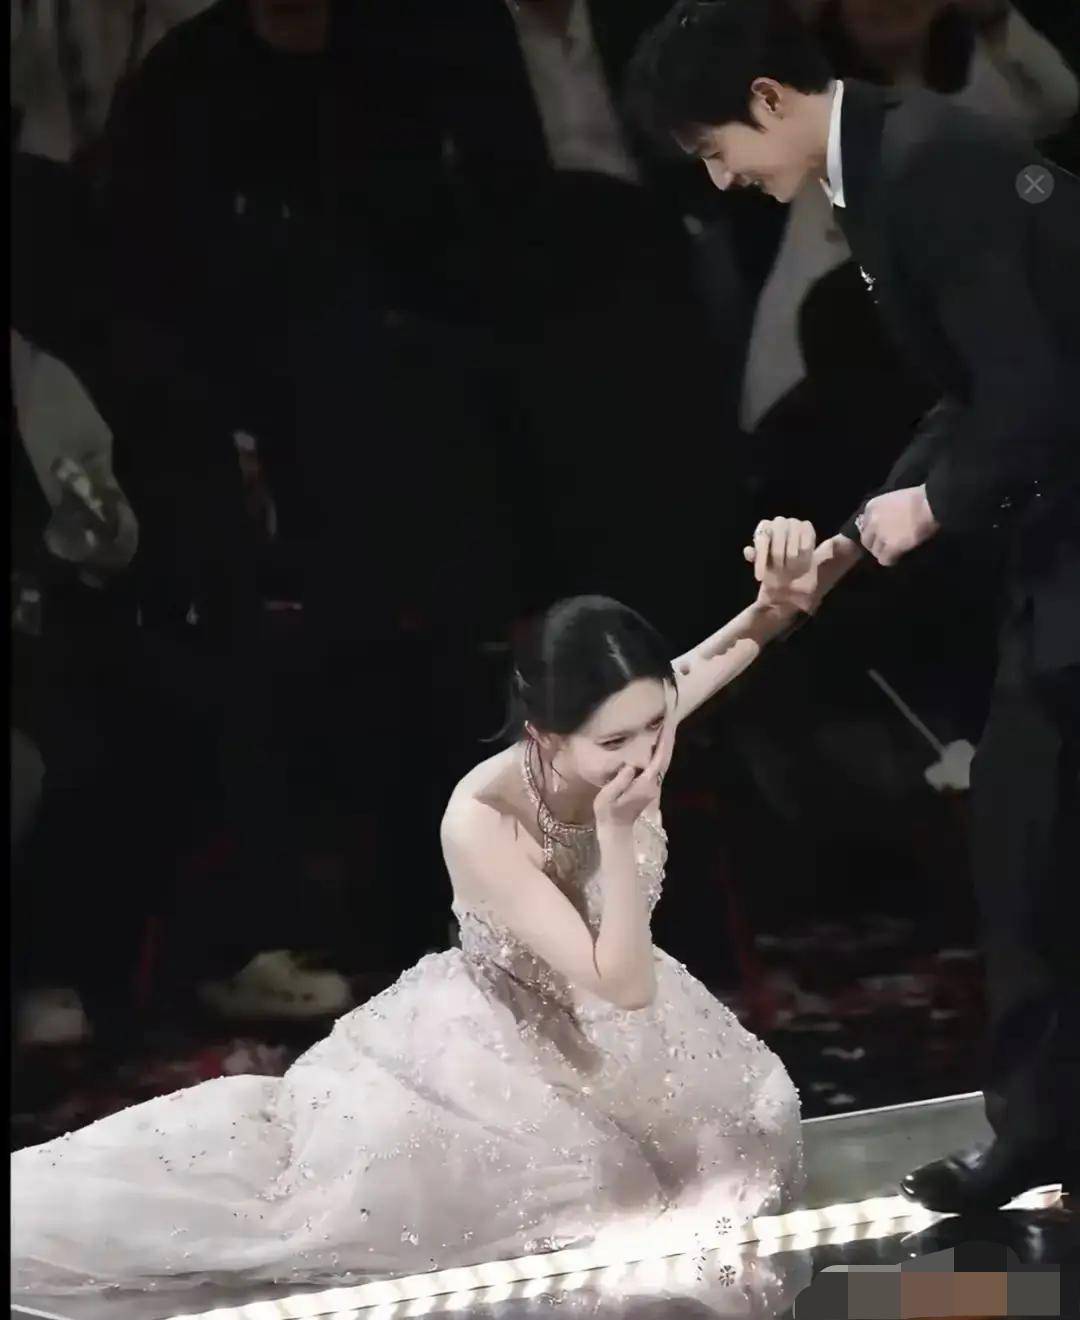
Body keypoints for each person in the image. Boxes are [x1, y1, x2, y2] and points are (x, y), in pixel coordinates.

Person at [11, 529, 816, 1304]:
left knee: (745, 1141)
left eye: (657, 726)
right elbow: (623, 983)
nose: (645, 757)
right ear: (545, 737)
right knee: (577, 1209)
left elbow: (749, 635)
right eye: (615, 744)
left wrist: (789, 586)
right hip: (508, 1043)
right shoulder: (484, 818)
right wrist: (613, 829)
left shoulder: (636, 726)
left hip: (613, 1032)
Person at [629, 0, 1080, 1214]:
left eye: (718, 149)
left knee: (1035, 832)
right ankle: (1041, 1132)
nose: (722, 179)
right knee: (1026, 840)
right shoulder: (883, 165)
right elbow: (970, 395)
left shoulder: (929, 166)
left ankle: (1041, 1129)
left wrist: (933, 508)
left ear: (768, 99)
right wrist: (859, 535)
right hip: (1057, 547)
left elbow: (1037, 390)